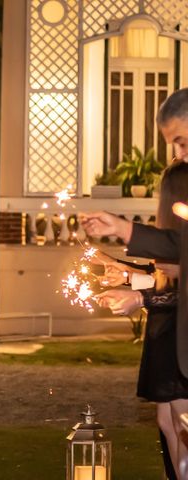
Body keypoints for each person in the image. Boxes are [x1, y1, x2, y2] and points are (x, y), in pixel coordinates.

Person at [93, 161, 188, 477]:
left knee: (182, 427)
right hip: (166, 333)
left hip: (179, 335)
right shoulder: (174, 234)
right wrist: (127, 274)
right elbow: (161, 275)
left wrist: (140, 297)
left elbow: (177, 288)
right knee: (167, 422)